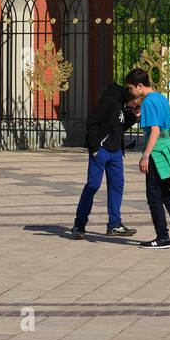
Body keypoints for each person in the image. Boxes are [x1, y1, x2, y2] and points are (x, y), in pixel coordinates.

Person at [126, 67, 170, 249]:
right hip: (169, 147)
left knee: (153, 196)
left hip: (157, 152)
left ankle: (162, 237)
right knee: (165, 192)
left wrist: (145, 156)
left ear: (139, 86)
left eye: (131, 88)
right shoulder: (160, 98)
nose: (130, 92)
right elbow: (162, 124)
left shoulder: (147, 103)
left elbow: (154, 131)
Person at [70, 84, 140, 239]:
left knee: (117, 186)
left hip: (116, 152)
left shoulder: (123, 104)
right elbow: (92, 122)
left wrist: (134, 116)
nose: (136, 104)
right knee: (93, 185)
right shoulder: (109, 99)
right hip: (101, 150)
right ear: (131, 94)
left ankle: (114, 224)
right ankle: (79, 224)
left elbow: (119, 127)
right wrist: (95, 147)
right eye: (136, 102)